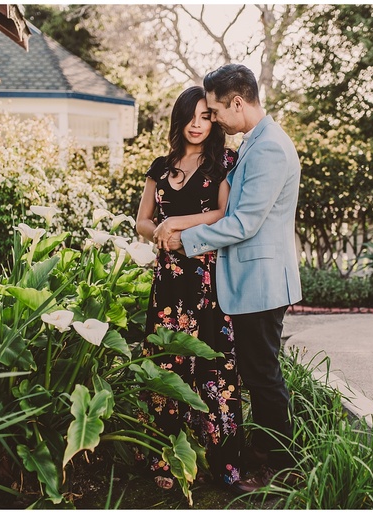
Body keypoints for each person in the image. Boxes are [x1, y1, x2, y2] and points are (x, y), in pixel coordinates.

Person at [155, 64, 303, 492]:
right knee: (259, 374)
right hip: (251, 282)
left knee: (263, 377)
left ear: (238, 102)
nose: (213, 119)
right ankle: (265, 452)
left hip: (261, 282)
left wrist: (185, 240)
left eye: (217, 110)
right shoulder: (255, 144)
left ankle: (280, 467)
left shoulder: (270, 148)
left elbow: (244, 224)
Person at [135, 85, 242, 492]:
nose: (197, 124)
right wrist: (158, 231)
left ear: (214, 120)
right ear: (178, 120)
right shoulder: (159, 166)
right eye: (190, 116)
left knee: (215, 373)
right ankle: (165, 463)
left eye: (205, 116)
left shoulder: (223, 162)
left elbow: (223, 213)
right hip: (167, 286)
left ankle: (226, 469)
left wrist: (175, 223)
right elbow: (142, 221)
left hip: (207, 283)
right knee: (166, 372)